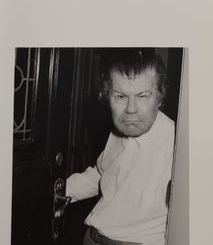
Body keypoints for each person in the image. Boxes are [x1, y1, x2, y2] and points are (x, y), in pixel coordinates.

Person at [66, 50, 175, 245]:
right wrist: (58, 191)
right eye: (120, 96)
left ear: (160, 96)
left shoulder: (177, 145)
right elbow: (102, 174)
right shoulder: (119, 131)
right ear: (107, 96)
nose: (131, 109)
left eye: (143, 96)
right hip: (91, 238)